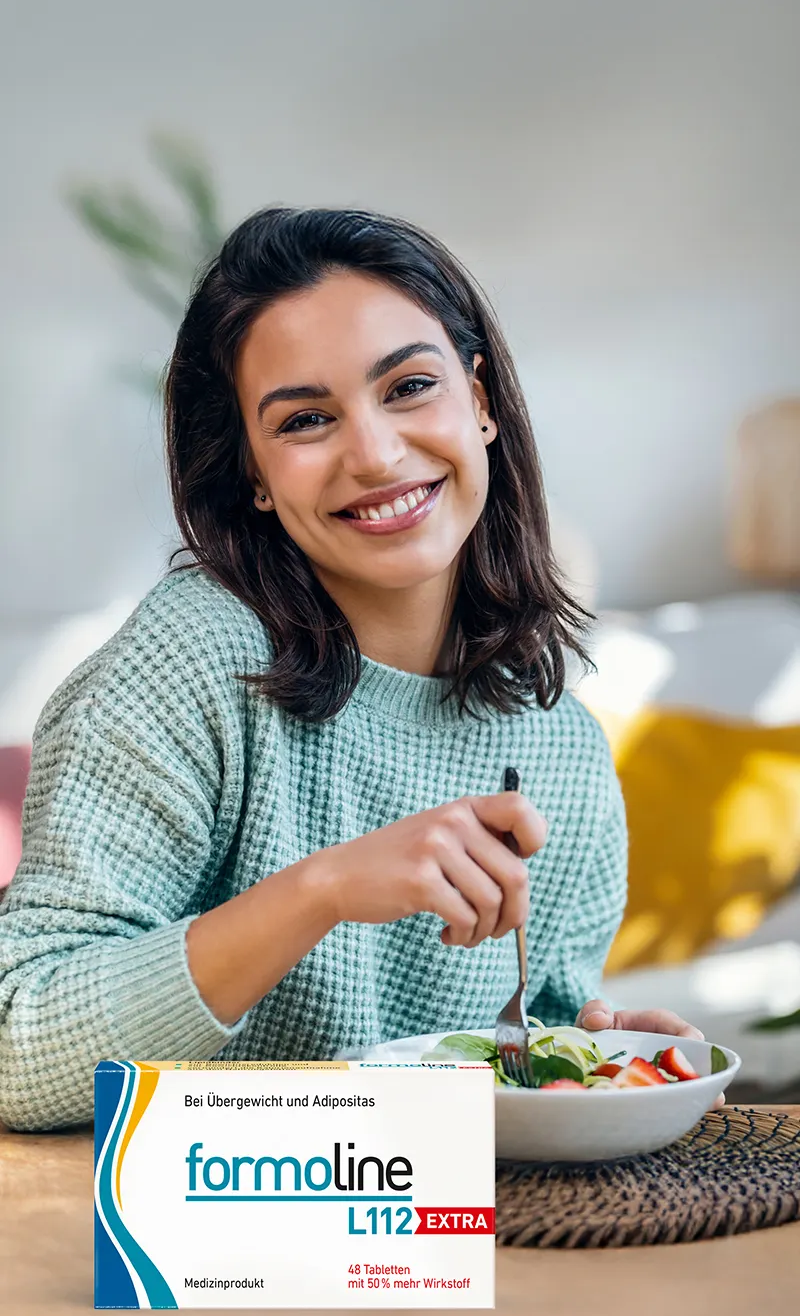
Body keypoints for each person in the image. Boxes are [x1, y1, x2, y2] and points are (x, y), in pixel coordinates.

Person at [0, 206, 710, 1131]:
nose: (374, 454)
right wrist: (324, 890)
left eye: (410, 386)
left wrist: (590, 1056)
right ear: (253, 471)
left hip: (427, 1248)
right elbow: (18, 1048)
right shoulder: (188, 664)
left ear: (481, 402)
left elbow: (511, 1040)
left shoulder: (561, 750)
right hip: (197, 1247)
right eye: (304, 419)